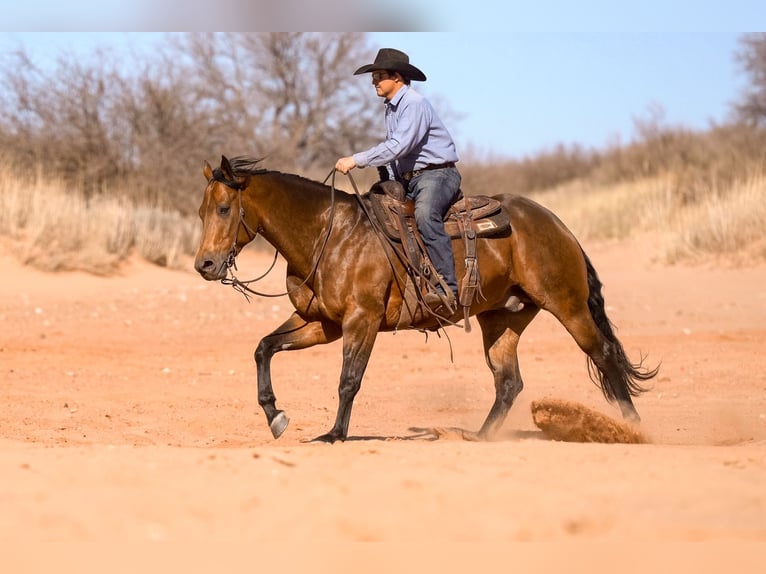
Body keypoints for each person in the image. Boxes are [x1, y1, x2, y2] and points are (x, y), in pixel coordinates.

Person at [335, 48, 462, 315]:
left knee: (425, 215)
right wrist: (389, 179)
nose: (374, 81)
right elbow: (396, 153)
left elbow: (399, 146)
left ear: (398, 77)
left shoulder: (414, 104)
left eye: (379, 76)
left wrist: (357, 160)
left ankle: (447, 287)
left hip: (437, 175)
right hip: (410, 179)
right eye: (374, 76)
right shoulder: (392, 108)